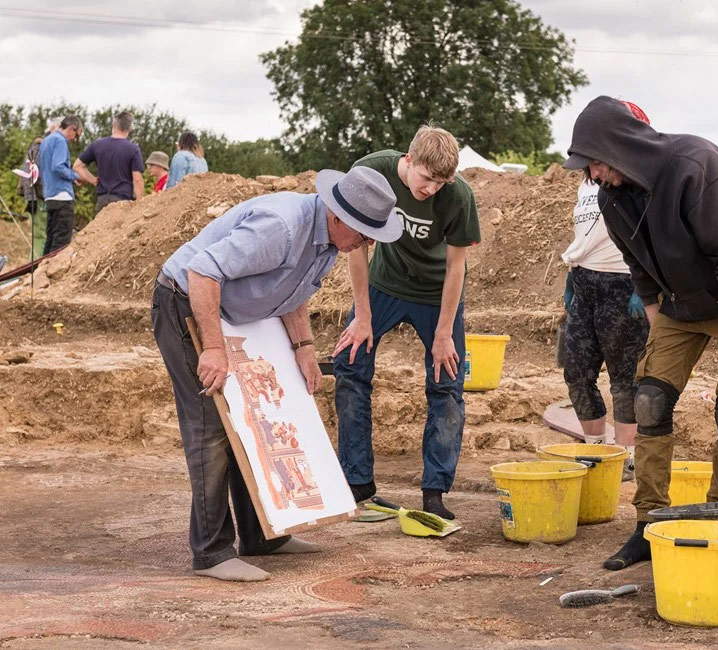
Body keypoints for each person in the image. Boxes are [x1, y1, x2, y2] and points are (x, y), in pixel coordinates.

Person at [153, 166, 403, 582]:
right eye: (364, 234)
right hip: (186, 304)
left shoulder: (326, 242)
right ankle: (211, 552)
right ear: (339, 217)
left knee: (257, 420)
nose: (367, 244)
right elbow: (202, 273)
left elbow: (289, 292)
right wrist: (213, 348)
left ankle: (261, 537)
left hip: (236, 313)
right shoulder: (281, 228)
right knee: (211, 425)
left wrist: (303, 348)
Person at [564, 96, 718, 570]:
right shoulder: (611, 196)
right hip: (680, 304)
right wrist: (661, 335)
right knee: (650, 400)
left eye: (596, 163)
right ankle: (649, 525)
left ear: (619, 147)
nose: (594, 175)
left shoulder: (694, 164)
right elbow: (640, 271)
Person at [332, 126, 480, 520]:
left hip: (436, 295)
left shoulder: (459, 196)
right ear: (409, 160)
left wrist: (445, 333)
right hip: (384, 285)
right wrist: (362, 316)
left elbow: (456, 267)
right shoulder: (371, 171)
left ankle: (435, 492)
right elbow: (358, 247)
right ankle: (357, 482)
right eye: (427, 178)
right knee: (350, 365)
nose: (432, 189)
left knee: (447, 384)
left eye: (442, 181)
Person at [561, 100, 652, 479]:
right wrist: (573, 276)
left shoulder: (636, 179)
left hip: (624, 283)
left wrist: (644, 286)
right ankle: (595, 450)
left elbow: (647, 237)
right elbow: (586, 232)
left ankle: (627, 456)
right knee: (577, 370)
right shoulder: (589, 180)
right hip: (584, 281)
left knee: (624, 377)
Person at [38, 115, 97, 254]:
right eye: (76, 136)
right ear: (71, 129)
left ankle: (42, 272)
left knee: (51, 239)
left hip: (50, 195)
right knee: (61, 242)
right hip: (62, 196)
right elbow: (58, 166)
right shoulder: (60, 141)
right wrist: (75, 176)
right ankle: (54, 273)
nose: (74, 140)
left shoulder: (46, 141)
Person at [74, 111, 145, 215]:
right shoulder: (133, 149)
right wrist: (139, 205)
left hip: (102, 200)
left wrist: (93, 180)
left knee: (101, 230)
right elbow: (137, 180)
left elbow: (77, 166)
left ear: (113, 125)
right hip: (122, 202)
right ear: (130, 128)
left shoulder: (97, 145)